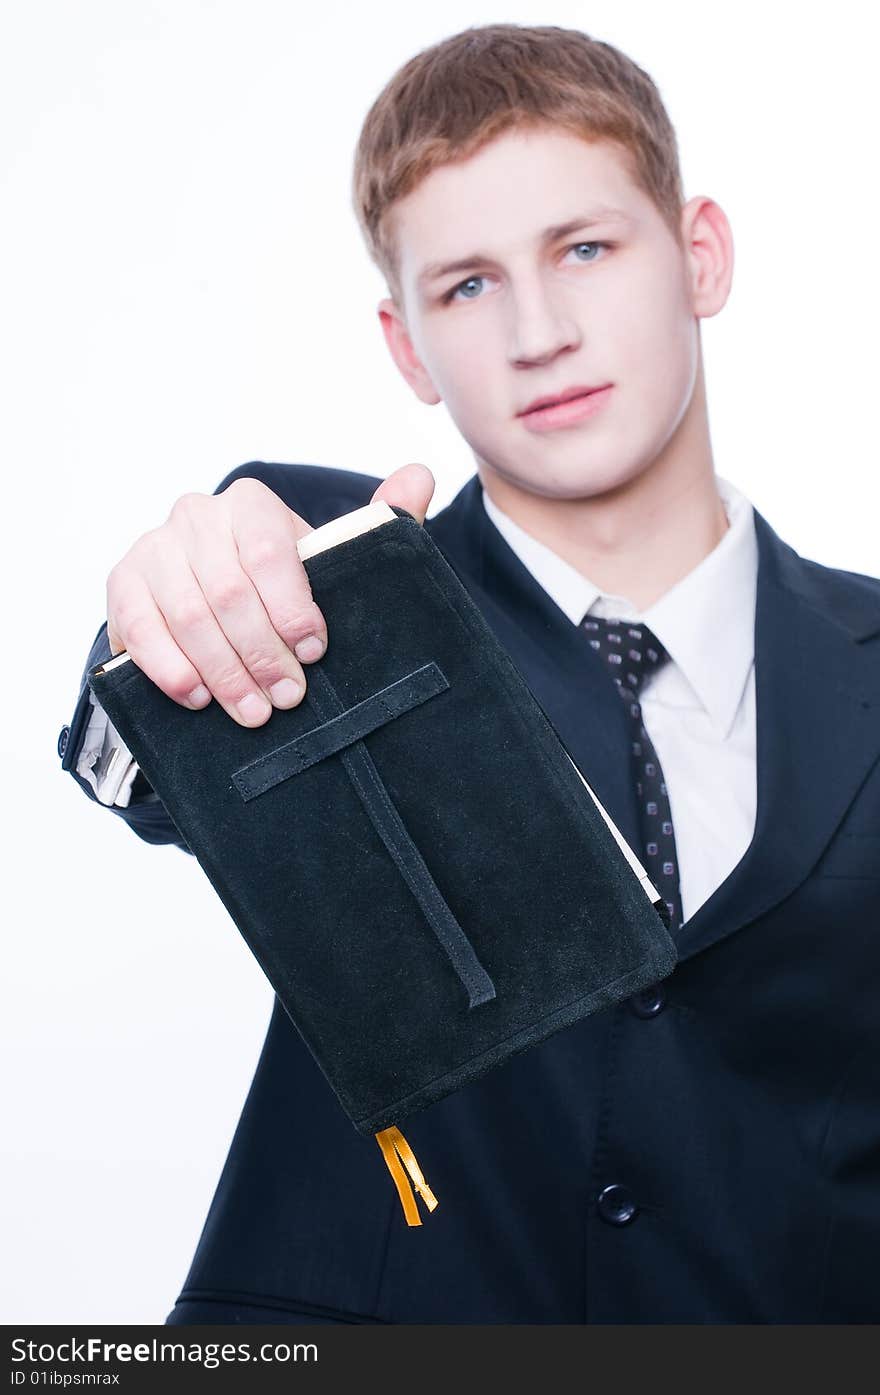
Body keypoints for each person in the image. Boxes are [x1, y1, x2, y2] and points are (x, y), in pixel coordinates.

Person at [59, 23, 880, 1324]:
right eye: (468, 285)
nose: (540, 331)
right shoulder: (320, 593)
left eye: (587, 250)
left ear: (701, 256)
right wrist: (156, 634)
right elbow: (138, 770)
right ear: (405, 345)